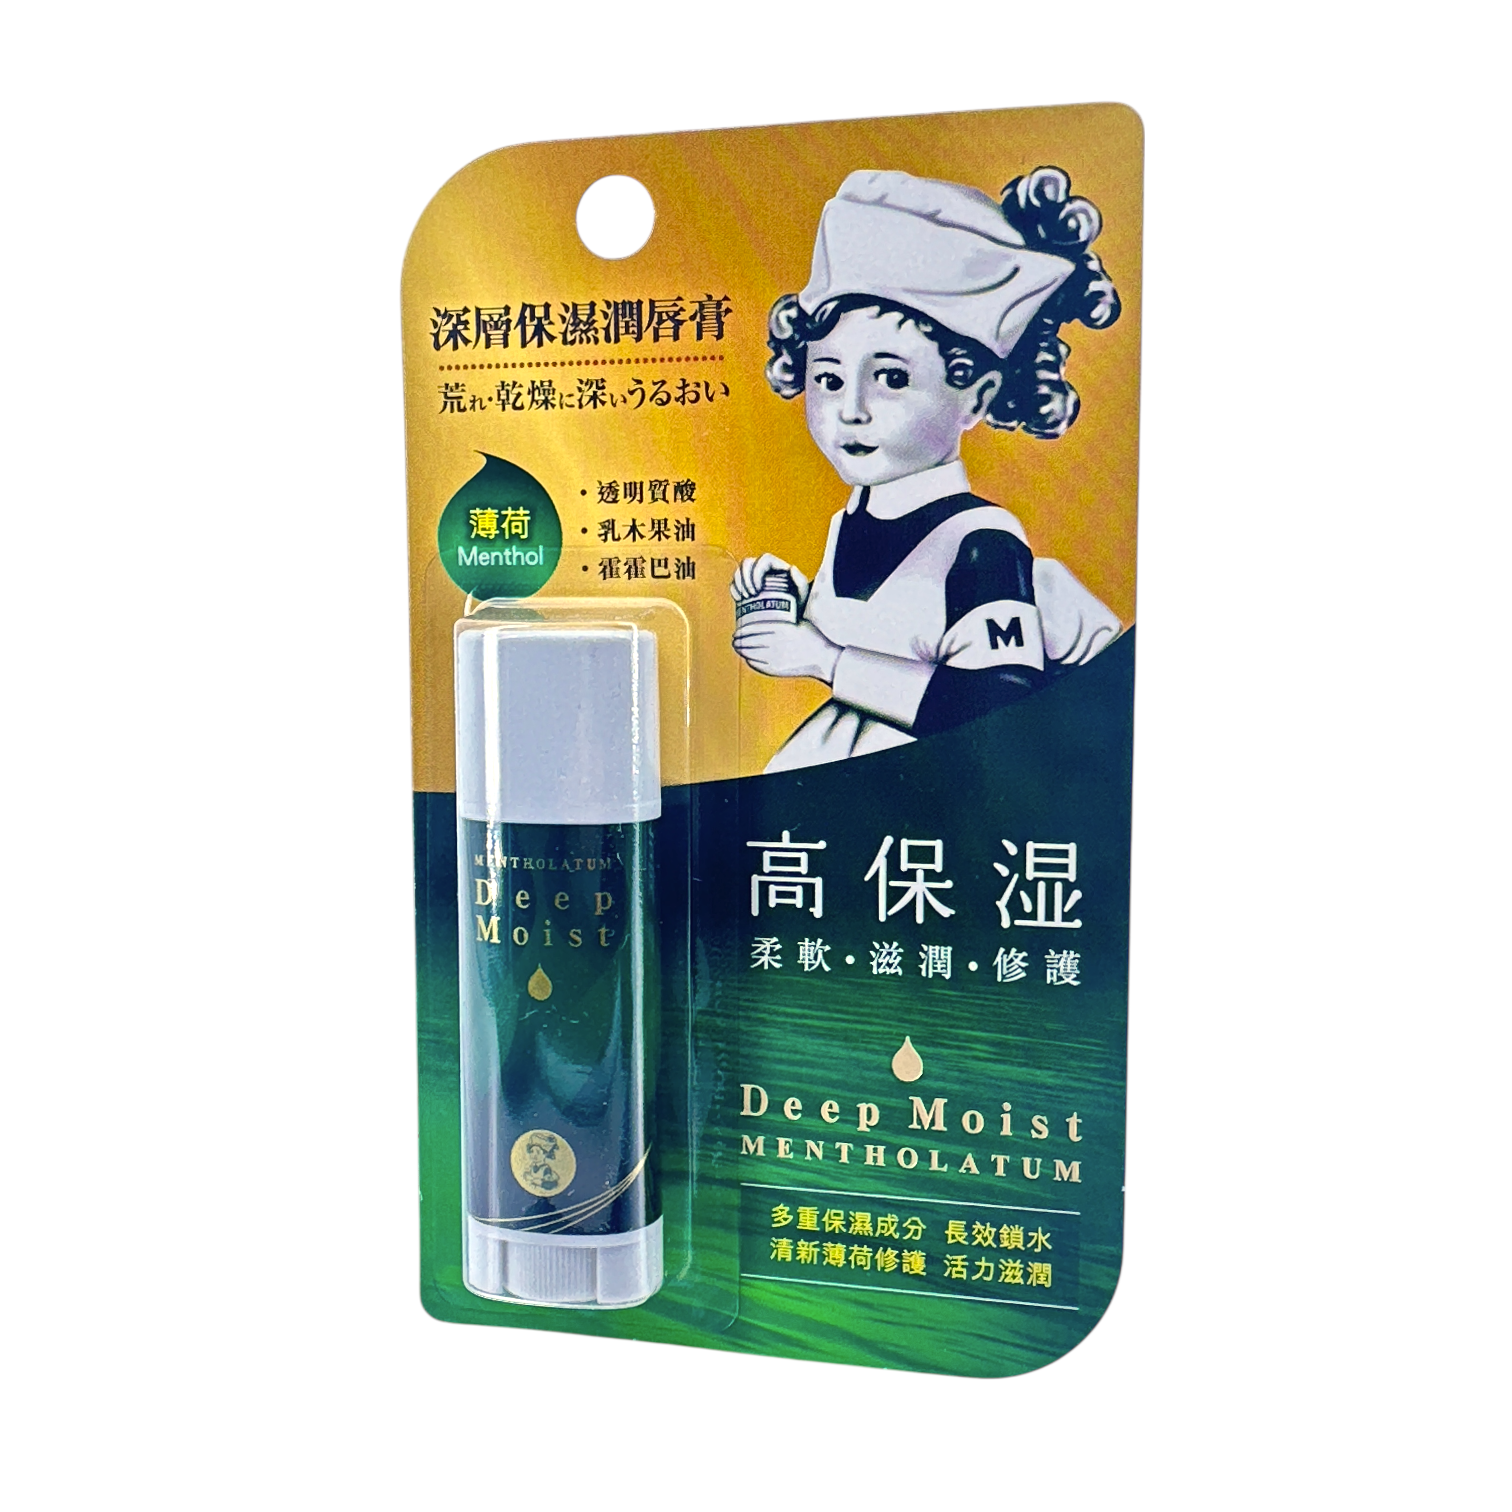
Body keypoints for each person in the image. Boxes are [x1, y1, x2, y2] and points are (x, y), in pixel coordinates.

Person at [731, 167, 1125, 773]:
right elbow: (896, 626)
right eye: (828, 378)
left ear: (977, 396)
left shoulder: (982, 545)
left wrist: (822, 659)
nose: (851, 409)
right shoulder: (852, 519)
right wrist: (798, 604)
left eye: (891, 378)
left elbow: (998, 704)